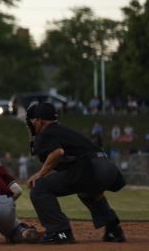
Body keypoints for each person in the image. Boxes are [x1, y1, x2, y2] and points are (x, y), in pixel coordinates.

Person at [25, 102, 126, 244]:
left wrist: (40, 174)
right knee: (88, 192)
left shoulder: (46, 133)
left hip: (91, 168)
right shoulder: (65, 131)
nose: (33, 124)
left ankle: (59, 232)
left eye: (34, 121)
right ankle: (114, 231)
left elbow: (58, 152)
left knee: (39, 188)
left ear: (40, 121)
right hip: (109, 168)